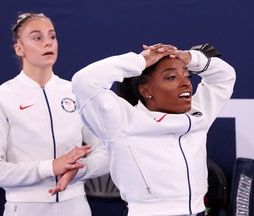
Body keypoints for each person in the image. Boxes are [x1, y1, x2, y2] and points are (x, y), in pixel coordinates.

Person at [70, 43, 236, 216]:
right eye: (171, 78)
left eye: (187, 76)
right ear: (145, 91)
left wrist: (189, 57)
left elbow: (224, 77)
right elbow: (84, 81)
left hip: (198, 211)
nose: (185, 83)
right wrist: (141, 60)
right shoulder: (123, 121)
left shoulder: (199, 113)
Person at [0, 13, 110, 216]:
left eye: (52, 36)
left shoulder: (76, 91)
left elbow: (107, 153)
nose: (48, 43)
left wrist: (80, 169)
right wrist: (50, 167)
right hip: (24, 208)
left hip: (77, 206)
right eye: (37, 37)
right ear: (19, 49)